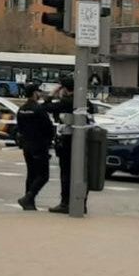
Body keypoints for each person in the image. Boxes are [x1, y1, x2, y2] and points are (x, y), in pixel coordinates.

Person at [48, 77, 89, 215]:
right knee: (81, 174)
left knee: (66, 173)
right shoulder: (84, 102)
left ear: (64, 89)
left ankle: (65, 203)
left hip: (67, 142)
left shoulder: (65, 102)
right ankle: (81, 203)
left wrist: (51, 96)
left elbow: (44, 107)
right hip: (83, 142)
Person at [14, 84, 56, 210]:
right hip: (39, 145)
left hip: (27, 145)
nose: (40, 94)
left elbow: (19, 127)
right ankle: (29, 197)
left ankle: (29, 202)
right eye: (39, 92)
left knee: (31, 173)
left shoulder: (21, 109)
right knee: (43, 175)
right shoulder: (38, 109)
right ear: (34, 93)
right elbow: (48, 127)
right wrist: (49, 140)